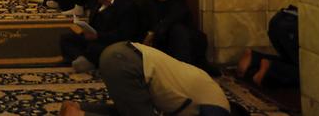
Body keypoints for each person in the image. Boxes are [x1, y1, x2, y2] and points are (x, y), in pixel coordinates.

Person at [59, 42, 230, 116]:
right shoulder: (219, 106)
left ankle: (78, 109)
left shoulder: (205, 90)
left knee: (130, 110)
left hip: (121, 55)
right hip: (129, 64)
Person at [59, 0, 140, 72]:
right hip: (95, 38)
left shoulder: (126, 5)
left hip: (111, 43)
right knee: (66, 39)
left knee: (96, 49)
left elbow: (123, 35)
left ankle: (86, 60)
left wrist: (98, 36)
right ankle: (89, 60)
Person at [137, 0, 202, 65]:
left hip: (174, 41)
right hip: (155, 43)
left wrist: (153, 33)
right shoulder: (147, 1)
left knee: (178, 30)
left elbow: (172, 19)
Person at [237, 5, 299, 87]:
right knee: (308, 74)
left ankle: (255, 58)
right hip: (293, 25)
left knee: (294, 61)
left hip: (280, 17)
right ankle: (271, 69)